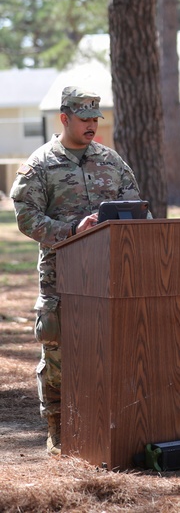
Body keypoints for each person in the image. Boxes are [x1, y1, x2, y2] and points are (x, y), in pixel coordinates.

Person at [9, 87, 145, 454]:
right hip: (61, 270)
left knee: (109, 345)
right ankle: (57, 427)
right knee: (57, 348)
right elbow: (25, 218)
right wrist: (71, 230)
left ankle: (107, 421)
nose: (91, 127)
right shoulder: (40, 164)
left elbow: (137, 209)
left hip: (110, 271)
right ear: (65, 118)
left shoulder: (111, 161)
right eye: (84, 120)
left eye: (95, 120)